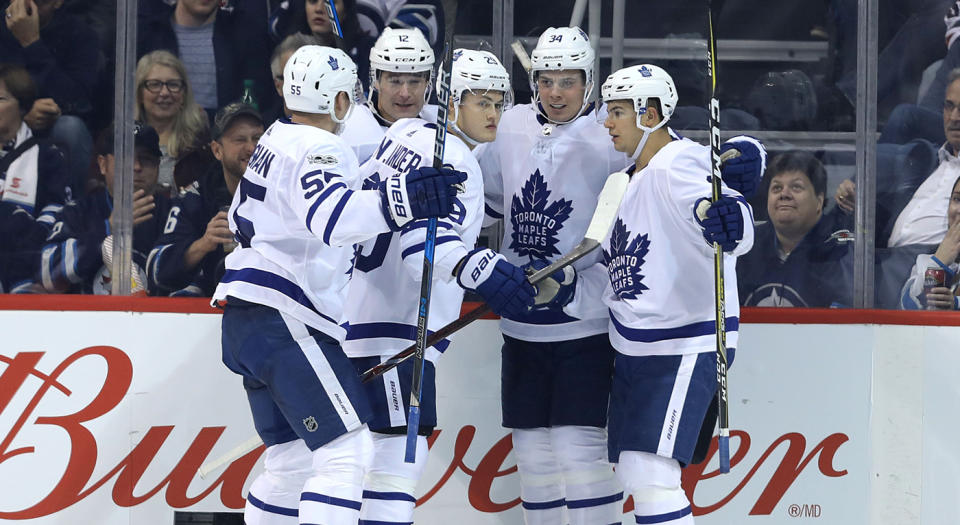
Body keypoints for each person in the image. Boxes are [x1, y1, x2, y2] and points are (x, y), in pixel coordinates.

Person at [476, 27, 766, 525]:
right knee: (616, 468)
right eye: (546, 79)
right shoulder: (625, 177)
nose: (556, 91)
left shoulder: (670, 163)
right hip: (624, 337)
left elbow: (715, 197)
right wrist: (565, 285)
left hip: (660, 340)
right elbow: (612, 260)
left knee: (625, 468)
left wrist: (737, 198)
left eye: (569, 81)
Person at [211, 45, 467, 525]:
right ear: (339, 101)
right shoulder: (320, 147)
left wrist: (388, 189)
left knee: (291, 463)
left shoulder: (275, 137)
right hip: (286, 315)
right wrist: (405, 198)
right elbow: (334, 218)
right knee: (347, 451)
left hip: (247, 319)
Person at [342, 48, 535, 525]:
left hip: (351, 318)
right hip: (397, 332)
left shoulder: (407, 132)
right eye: (481, 102)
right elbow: (422, 246)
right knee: (396, 464)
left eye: (498, 102)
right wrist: (483, 269)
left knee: (350, 465)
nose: (493, 114)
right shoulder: (456, 161)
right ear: (452, 102)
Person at [599, 63, 753, 525]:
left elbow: (727, 215)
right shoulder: (625, 180)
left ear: (650, 115)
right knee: (633, 469)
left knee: (652, 471)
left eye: (618, 112)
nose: (607, 122)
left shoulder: (677, 162)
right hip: (635, 343)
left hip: (685, 341)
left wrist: (727, 219)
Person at [39, 121, 172, 294]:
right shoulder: (77, 212)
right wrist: (108, 229)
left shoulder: (172, 214)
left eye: (146, 159)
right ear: (103, 164)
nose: (137, 167)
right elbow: (47, 274)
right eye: (126, 158)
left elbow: (190, 286)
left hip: (155, 320)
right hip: (87, 319)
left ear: (158, 167)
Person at [147, 102, 264, 296]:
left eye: (257, 138)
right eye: (240, 140)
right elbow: (156, 269)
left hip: (273, 298)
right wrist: (204, 244)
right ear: (217, 150)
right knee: (183, 297)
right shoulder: (197, 196)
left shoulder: (284, 191)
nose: (251, 148)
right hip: (212, 299)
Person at [835, 68, 960, 248]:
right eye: (949, 106)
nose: (954, 117)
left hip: (933, 265)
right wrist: (857, 202)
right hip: (885, 260)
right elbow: (887, 221)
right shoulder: (926, 161)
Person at [1, 0, 98, 196]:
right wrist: (22, 114)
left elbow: (79, 100)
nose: (28, 7)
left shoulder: (79, 34)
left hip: (53, 126)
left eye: (39, 2)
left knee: (71, 128)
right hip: (6, 119)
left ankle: (72, 208)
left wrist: (32, 43)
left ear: (57, 2)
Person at [737, 151, 854, 307]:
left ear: (819, 201)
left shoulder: (839, 248)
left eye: (796, 187)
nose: (784, 194)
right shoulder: (745, 245)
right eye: (777, 188)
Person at [137, 0, 274, 118]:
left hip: (225, 138)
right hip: (162, 138)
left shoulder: (246, 35)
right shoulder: (148, 34)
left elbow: (263, 100)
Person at [134, 50, 210, 192]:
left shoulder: (201, 145)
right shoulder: (120, 139)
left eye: (173, 84)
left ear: (184, 94)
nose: (164, 93)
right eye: (155, 84)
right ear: (140, 94)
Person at [0, 63, 68, 220]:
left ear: (22, 106)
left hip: (24, 241)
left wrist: (30, 236)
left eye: (0, 99)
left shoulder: (48, 156)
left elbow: (56, 209)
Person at [901, 174, 960, 309]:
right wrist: (939, 263)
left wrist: (956, 303)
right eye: (957, 199)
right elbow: (911, 308)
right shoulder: (926, 262)